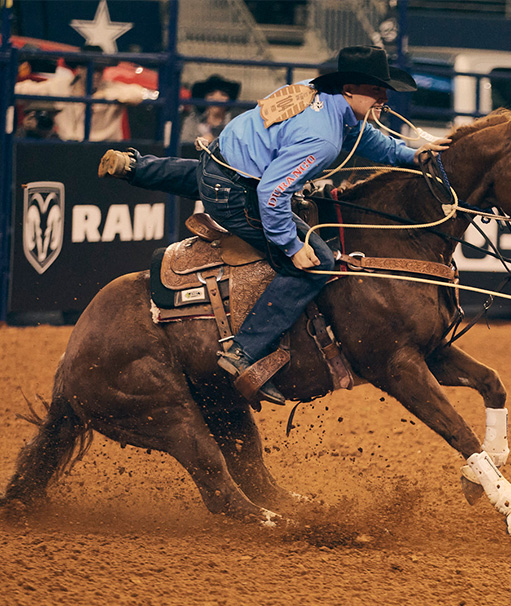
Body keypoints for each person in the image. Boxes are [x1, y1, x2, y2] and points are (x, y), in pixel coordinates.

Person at [97, 45, 451, 405]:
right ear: (349, 89)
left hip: (221, 163)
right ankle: (244, 353)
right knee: (321, 261)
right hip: (239, 191)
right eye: (377, 89)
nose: (385, 97)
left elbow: (365, 138)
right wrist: (293, 247)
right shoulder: (323, 139)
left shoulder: (318, 92)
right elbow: (271, 193)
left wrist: (411, 154)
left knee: (206, 175)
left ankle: (137, 167)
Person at [14, 45, 157, 141]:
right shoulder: (60, 86)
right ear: (79, 69)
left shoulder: (112, 88)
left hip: (105, 151)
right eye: (92, 69)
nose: (96, 75)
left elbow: (138, 93)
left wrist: (104, 96)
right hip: (67, 150)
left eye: (100, 70)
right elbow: (23, 90)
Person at [180, 73, 241, 143]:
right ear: (204, 98)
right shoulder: (193, 121)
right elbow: (184, 145)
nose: (217, 99)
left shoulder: (235, 122)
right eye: (211, 95)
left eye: (223, 95)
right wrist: (198, 143)